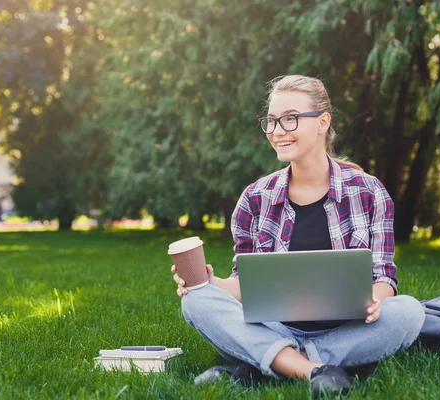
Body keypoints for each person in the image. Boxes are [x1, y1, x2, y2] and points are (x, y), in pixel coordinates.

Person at [172, 75, 425, 395]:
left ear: (322, 123)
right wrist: (211, 283)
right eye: (272, 121)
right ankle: (314, 370)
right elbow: (246, 284)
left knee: (409, 312)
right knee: (196, 301)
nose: (278, 131)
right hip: (274, 325)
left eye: (290, 119)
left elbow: (384, 277)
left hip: (347, 328)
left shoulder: (369, 191)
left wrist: (375, 300)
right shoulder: (255, 197)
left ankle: (265, 364)